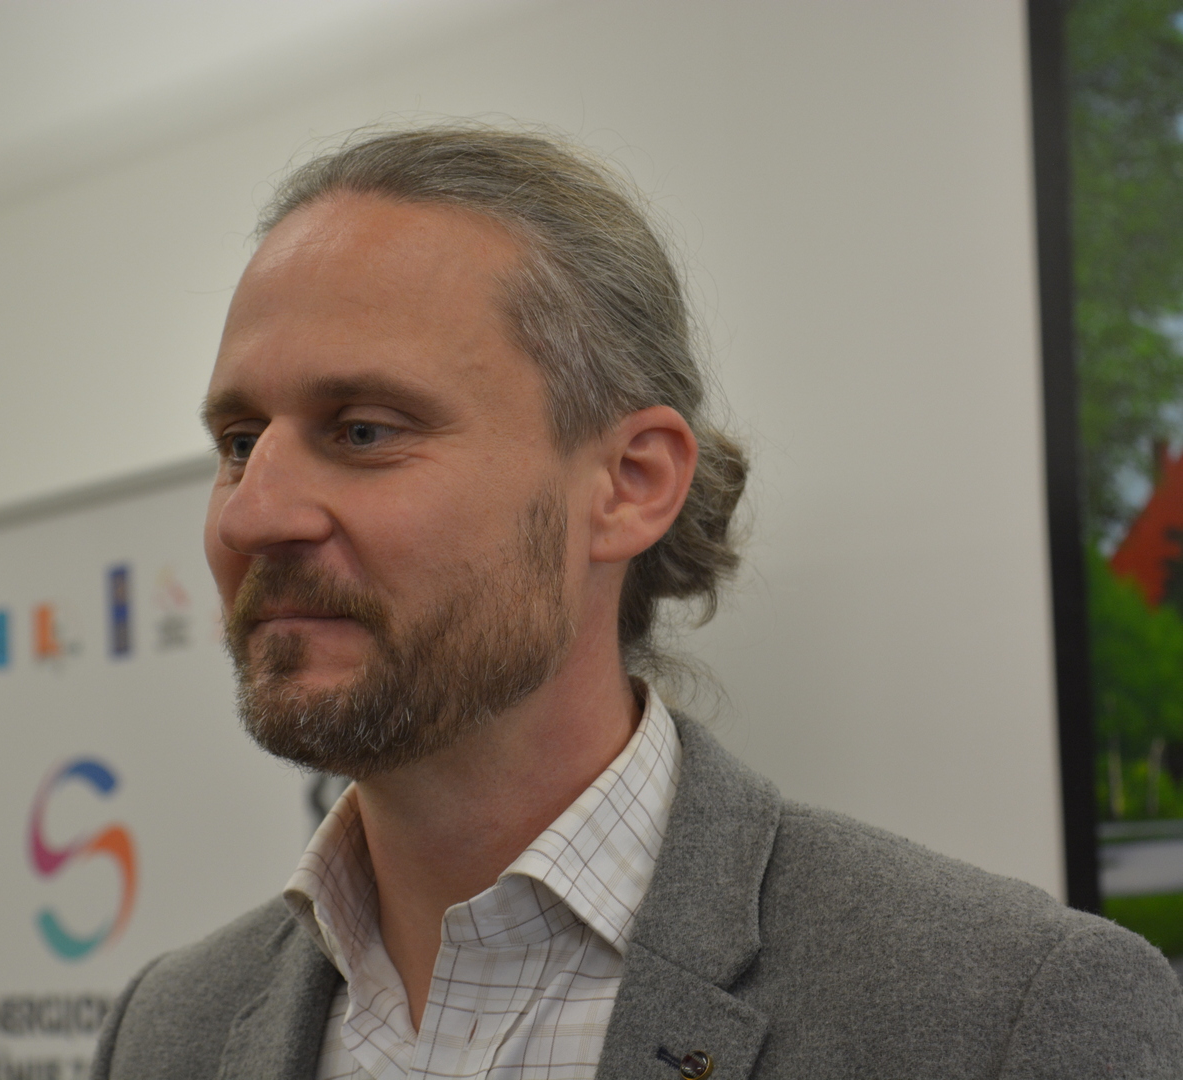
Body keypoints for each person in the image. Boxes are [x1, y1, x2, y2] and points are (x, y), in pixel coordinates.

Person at [91, 123, 1183, 1079]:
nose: (252, 514)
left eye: (364, 430)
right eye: (239, 443)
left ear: (629, 483)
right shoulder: (169, 1030)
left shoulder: (1003, 1015)